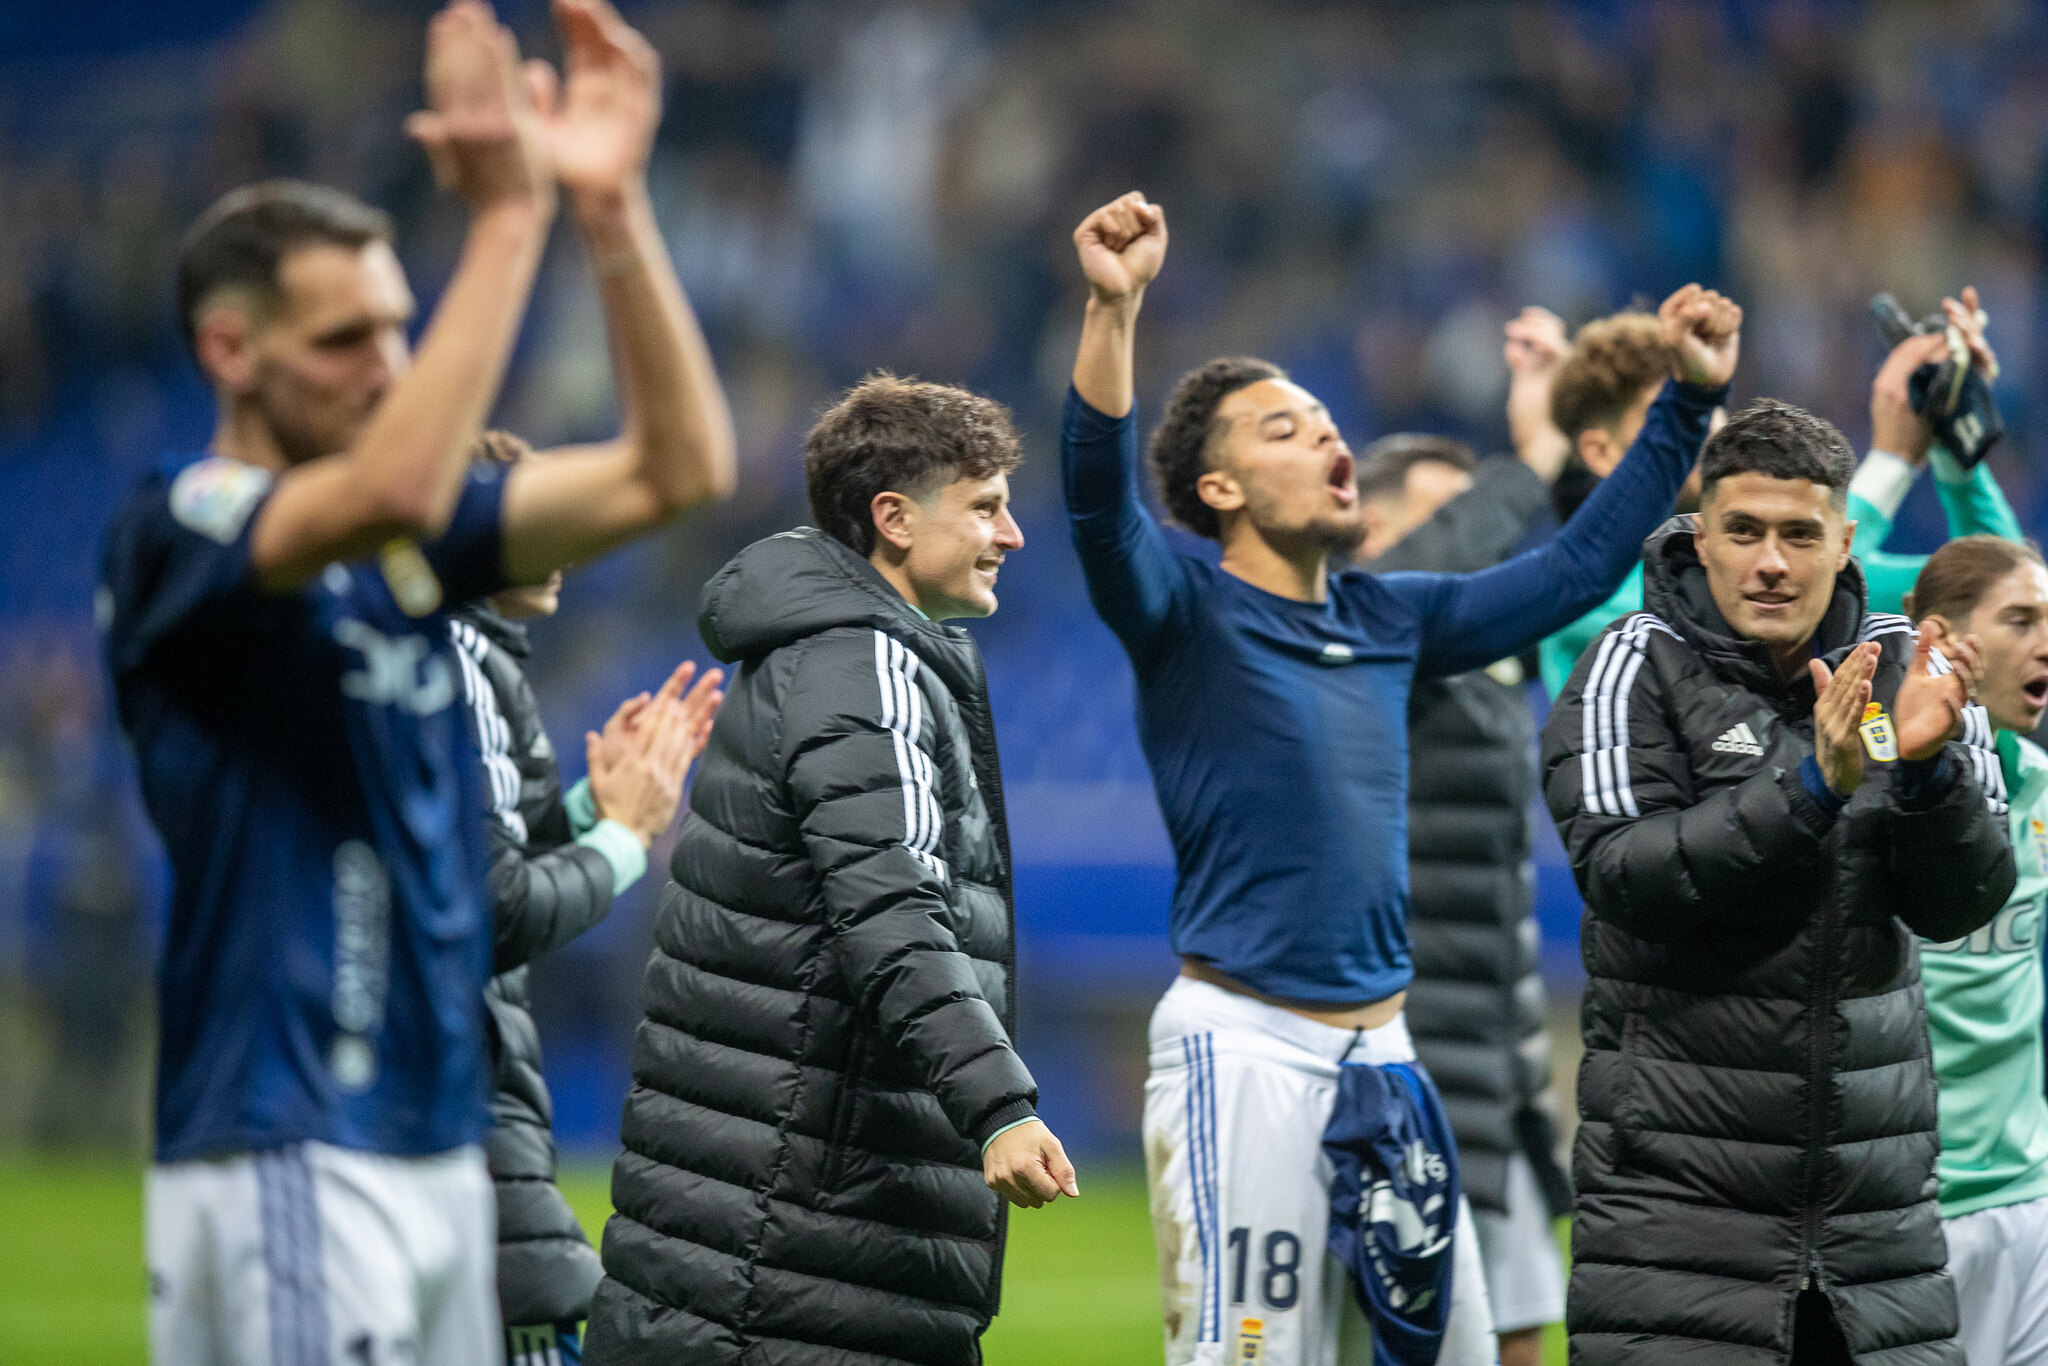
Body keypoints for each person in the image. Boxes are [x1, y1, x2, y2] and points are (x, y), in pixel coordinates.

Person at [100, 0, 736, 1360]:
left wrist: (610, 213)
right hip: (291, 1128)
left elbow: (675, 468)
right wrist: (510, 214)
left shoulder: (410, 558)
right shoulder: (186, 523)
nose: (387, 365)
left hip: (435, 1139)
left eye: (398, 328)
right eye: (345, 339)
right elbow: (392, 476)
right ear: (230, 349)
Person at [1061, 189, 1734, 1366]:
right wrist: (1111, 312)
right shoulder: (1185, 611)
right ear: (1216, 493)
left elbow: (1575, 567)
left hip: (1389, 1050)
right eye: (1281, 430)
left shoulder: (1386, 616)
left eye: (1325, 421)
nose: (1326, 439)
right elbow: (1095, 505)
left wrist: (1687, 404)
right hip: (1247, 1046)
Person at [584, 374, 1072, 1366]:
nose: (1011, 535)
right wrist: (999, 1106)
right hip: (797, 1260)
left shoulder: (817, 653)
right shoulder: (864, 661)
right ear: (891, 519)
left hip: (745, 1249)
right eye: (984, 507)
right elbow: (892, 906)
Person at [1541, 400, 2014, 1365]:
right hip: (1677, 1236)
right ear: (1700, 536)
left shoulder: (1913, 675)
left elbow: (1966, 902)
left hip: (1875, 1242)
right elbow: (1626, 876)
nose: (1771, 562)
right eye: (1744, 531)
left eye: (1800, 535)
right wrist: (1809, 789)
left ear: (1846, 541)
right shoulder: (1631, 666)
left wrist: (1927, 773)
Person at [452, 434, 725, 1366]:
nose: (567, 544)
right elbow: (491, 909)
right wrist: (626, 836)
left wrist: (586, 810)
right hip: (458, 1138)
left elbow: (469, 859)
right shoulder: (462, 660)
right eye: (541, 518)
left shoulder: (459, 656)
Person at [1355, 430, 1571, 1366]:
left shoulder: (1491, 662)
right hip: (1406, 1061)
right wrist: (1536, 449)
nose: (1481, 548)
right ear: (1374, 532)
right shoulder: (1355, 638)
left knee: (1517, 1342)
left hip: (1502, 1069)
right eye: (1453, 516)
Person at [1537, 290, 2019, 694]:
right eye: (1672, 412)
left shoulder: (1786, 572)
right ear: (1600, 451)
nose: (1705, 430)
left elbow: (2000, 592)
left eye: (1708, 406)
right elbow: (1692, 603)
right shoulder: (1578, 599)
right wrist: (1891, 463)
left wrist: (1955, 438)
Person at [1904, 538, 2048, 1366]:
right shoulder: (1881, 781)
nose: (2042, 642)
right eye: (2019, 621)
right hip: (1914, 1209)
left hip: (2027, 1198)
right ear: (1945, 640)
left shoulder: (2035, 781)